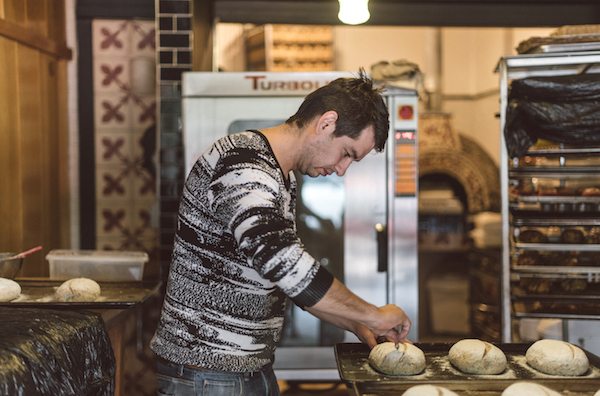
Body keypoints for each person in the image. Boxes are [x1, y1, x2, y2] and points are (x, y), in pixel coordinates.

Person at [150, 70, 411, 396]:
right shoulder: (242, 162)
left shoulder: (278, 176)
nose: (342, 169)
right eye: (347, 153)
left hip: (247, 369)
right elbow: (284, 263)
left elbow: (285, 279)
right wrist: (372, 314)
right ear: (326, 123)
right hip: (208, 373)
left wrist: (355, 323)